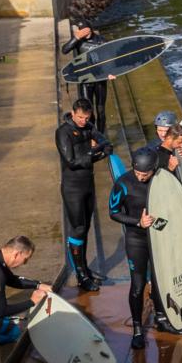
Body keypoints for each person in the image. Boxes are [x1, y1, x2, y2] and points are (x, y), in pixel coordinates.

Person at [109, 146, 182, 346]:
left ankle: (162, 319)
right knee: (138, 284)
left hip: (162, 238)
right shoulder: (124, 183)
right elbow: (113, 212)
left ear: (154, 169)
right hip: (137, 240)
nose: (141, 177)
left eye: (145, 174)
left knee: (162, 280)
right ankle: (137, 329)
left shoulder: (164, 179)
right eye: (138, 173)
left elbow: (181, 204)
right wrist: (138, 222)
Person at [57, 98, 110, 291]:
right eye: (80, 117)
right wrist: (95, 151)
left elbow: (105, 142)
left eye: (86, 118)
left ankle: (85, 268)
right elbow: (71, 161)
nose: (83, 121)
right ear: (73, 113)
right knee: (78, 228)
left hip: (88, 184)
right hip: (73, 188)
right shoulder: (63, 132)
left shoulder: (88, 126)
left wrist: (100, 149)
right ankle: (80, 274)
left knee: (86, 227)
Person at [0, 236, 49, 345]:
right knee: (15, 332)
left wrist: (38, 285)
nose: (24, 263)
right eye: (25, 259)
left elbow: (11, 279)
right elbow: (2, 311)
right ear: (16, 254)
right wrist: (32, 301)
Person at [60, 21, 109, 130]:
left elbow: (110, 58)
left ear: (88, 30)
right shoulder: (78, 41)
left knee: (101, 110)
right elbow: (64, 50)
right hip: (85, 80)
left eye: (80, 30)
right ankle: (91, 133)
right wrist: (76, 37)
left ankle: (101, 135)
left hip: (100, 79)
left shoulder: (101, 40)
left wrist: (111, 72)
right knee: (87, 109)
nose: (77, 31)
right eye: (77, 30)